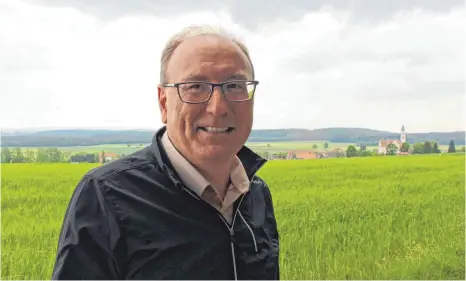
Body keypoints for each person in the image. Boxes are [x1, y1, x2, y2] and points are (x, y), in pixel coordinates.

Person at [51, 25, 280, 280]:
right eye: (195, 86)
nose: (218, 107)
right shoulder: (107, 195)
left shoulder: (255, 192)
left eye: (235, 85)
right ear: (164, 102)